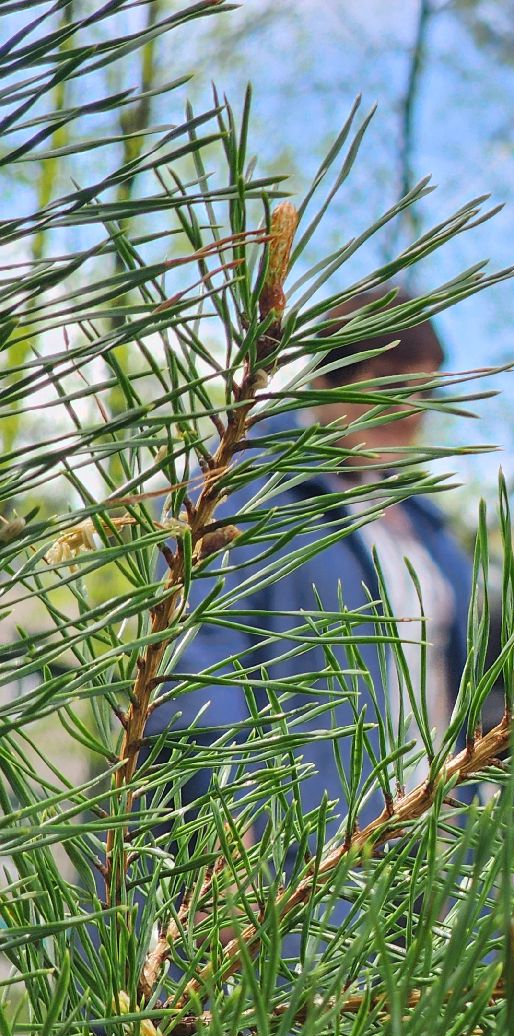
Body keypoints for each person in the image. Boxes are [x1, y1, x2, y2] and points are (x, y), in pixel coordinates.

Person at [156, 288, 473, 844]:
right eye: (390, 386)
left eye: (426, 392)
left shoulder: (428, 528)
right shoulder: (245, 484)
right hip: (295, 856)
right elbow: (194, 669)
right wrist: (224, 838)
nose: (411, 412)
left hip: (427, 851)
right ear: (328, 377)